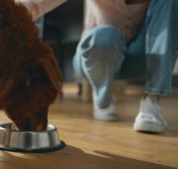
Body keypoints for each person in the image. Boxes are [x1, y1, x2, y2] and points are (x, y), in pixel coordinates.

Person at [72, 0, 178, 133]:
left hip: (137, 59)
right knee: (105, 35)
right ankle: (102, 95)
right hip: (94, 58)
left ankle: (151, 103)